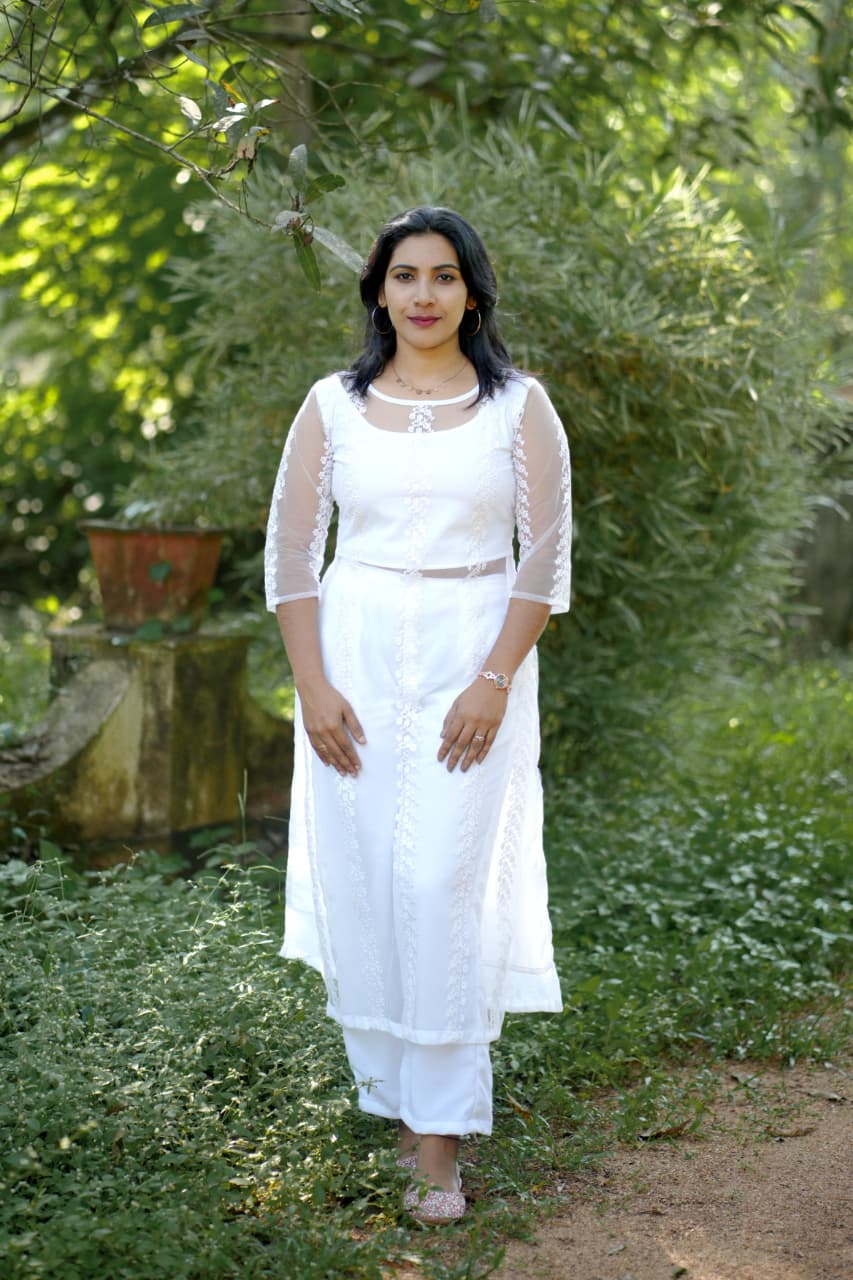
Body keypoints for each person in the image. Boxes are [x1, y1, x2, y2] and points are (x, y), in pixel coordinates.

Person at [264, 205, 571, 1225]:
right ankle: (400, 1105)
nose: (424, 294)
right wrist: (311, 686)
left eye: (444, 276)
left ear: (472, 294)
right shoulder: (331, 406)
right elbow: (290, 554)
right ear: (379, 291)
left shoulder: (518, 406)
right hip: (351, 663)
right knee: (373, 885)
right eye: (405, 275)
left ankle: (438, 1143)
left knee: (441, 883)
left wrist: (494, 678)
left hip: (472, 658)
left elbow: (544, 557)